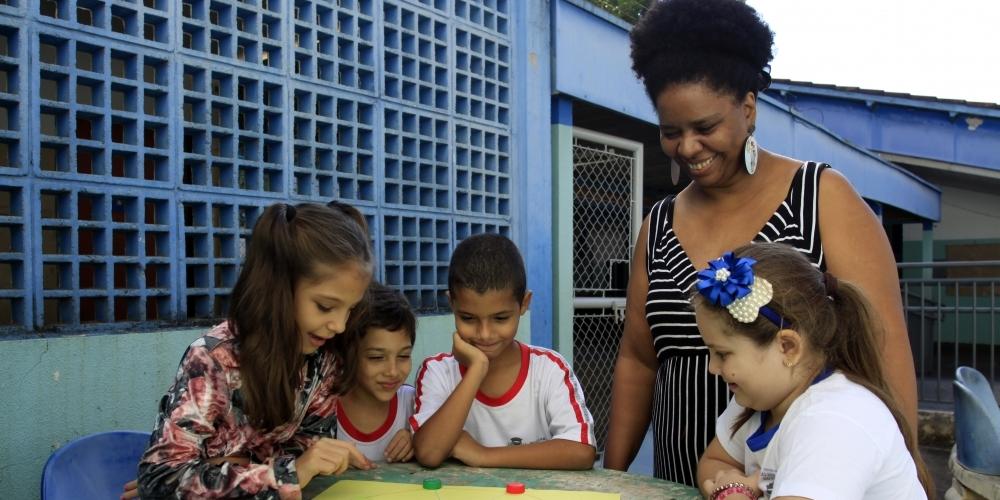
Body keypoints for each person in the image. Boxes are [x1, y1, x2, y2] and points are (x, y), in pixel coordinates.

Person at [603, 0, 918, 486]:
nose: (688, 147)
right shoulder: (659, 223)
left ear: (748, 108)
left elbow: (884, 352)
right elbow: (638, 358)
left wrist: (908, 467)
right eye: (672, 132)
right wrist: (615, 478)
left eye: (705, 127)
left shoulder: (822, 199)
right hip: (683, 483)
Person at [133, 203, 376, 499]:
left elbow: (308, 459)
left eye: (350, 309)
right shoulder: (214, 360)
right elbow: (161, 478)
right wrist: (282, 473)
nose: (339, 325)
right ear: (277, 289)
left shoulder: (322, 361)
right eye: (325, 306)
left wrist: (227, 469)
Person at [693, 243, 931, 499]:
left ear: (787, 347)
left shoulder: (834, 420)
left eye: (723, 354)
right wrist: (730, 489)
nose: (712, 368)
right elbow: (716, 461)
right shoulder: (758, 400)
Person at [410, 233, 596, 470]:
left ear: (524, 304)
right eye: (468, 318)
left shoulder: (549, 369)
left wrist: (483, 455)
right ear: (452, 303)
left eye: (500, 318)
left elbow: (581, 451)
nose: (485, 334)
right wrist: (477, 369)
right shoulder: (437, 372)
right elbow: (429, 452)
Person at [335, 283, 417, 463]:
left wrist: (420, 439)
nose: (393, 371)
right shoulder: (322, 411)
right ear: (347, 354)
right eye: (376, 357)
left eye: (403, 356)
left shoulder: (414, 406)